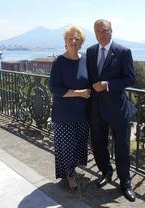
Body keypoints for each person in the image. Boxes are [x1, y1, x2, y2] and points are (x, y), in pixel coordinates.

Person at [86, 19, 136, 202]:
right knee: (98, 145)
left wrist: (108, 85)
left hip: (118, 110)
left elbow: (130, 78)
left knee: (122, 148)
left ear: (111, 31)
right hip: (97, 109)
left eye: (104, 30)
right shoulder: (90, 52)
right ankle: (106, 172)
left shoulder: (123, 52)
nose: (101, 34)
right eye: (97, 31)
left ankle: (125, 184)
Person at [49, 25, 91, 190]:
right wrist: (78, 93)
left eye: (77, 39)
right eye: (70, 39)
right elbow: (54, 88)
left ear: (81, 42)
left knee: (79, 143)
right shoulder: (59, 62)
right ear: (65, 42)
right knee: (67, 145)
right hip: (63, 113)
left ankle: (73, 169)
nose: (73, 41)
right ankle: (70, 174)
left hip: (82, 112)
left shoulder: (86, 59)